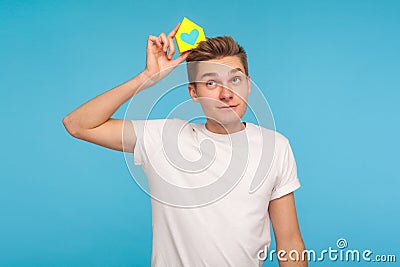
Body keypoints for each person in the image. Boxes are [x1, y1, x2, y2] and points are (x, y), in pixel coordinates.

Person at [62, 22, 307, 267]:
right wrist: (146, 77)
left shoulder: (275, 147)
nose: (226, 93)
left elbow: (290, 243)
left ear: (249, 84)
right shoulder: (166, 137)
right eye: (211, 83)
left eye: (235, 79)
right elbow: (78, 124)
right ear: (193, 92)